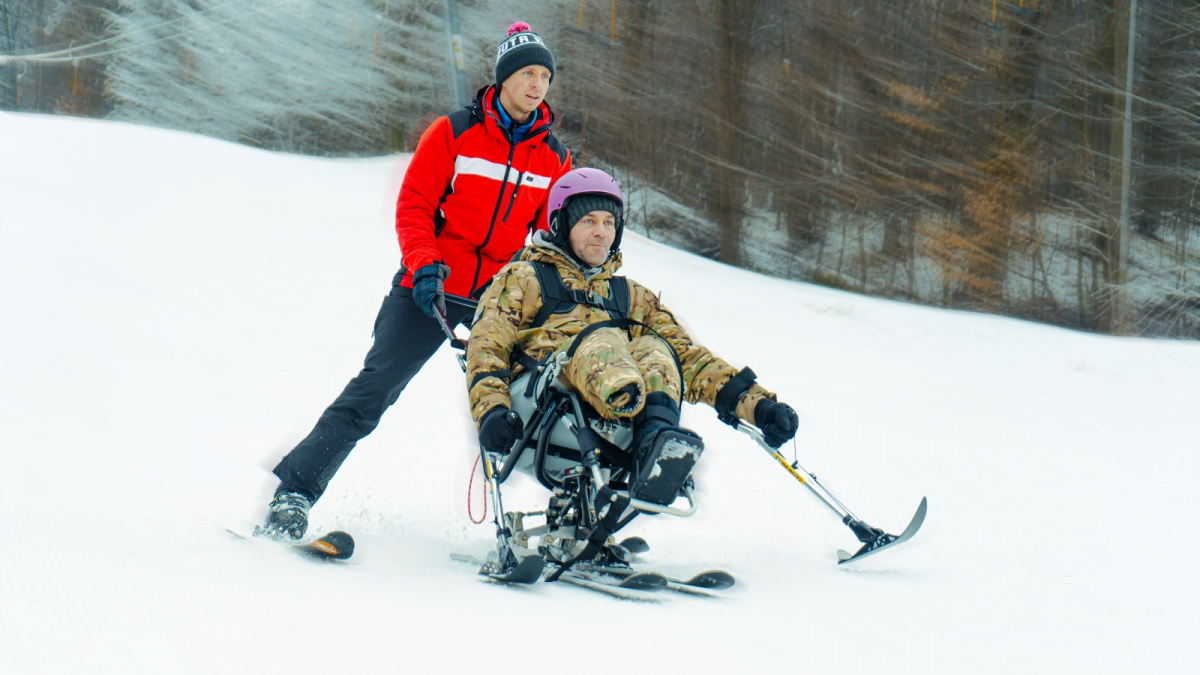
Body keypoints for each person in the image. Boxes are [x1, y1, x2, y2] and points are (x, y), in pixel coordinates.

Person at [261, 22, 572, 540]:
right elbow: (416, 204)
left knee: (536, 397)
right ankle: (293, 494)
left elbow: (548, 237)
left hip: (495, 301)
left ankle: (573, 514)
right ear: (504, 79)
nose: (537, 84)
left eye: (545, 75)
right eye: (527, 73)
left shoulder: (554, 158)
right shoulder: (454, 132)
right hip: (427, 290)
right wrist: (425, 263)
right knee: (373, 391)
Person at [464, 168, 799, 511]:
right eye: (588, 221)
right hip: (537, 404)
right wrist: (491, 410)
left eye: (610, 222)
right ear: (561, 224)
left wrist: (756, 404)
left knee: (657, 346)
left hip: (614, 417)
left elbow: (686, 358)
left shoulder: (630, 295)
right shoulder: (524, 277)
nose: (600, 232)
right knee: (603, 337)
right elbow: (487, 345)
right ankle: (636, 425)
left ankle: (653, 445)